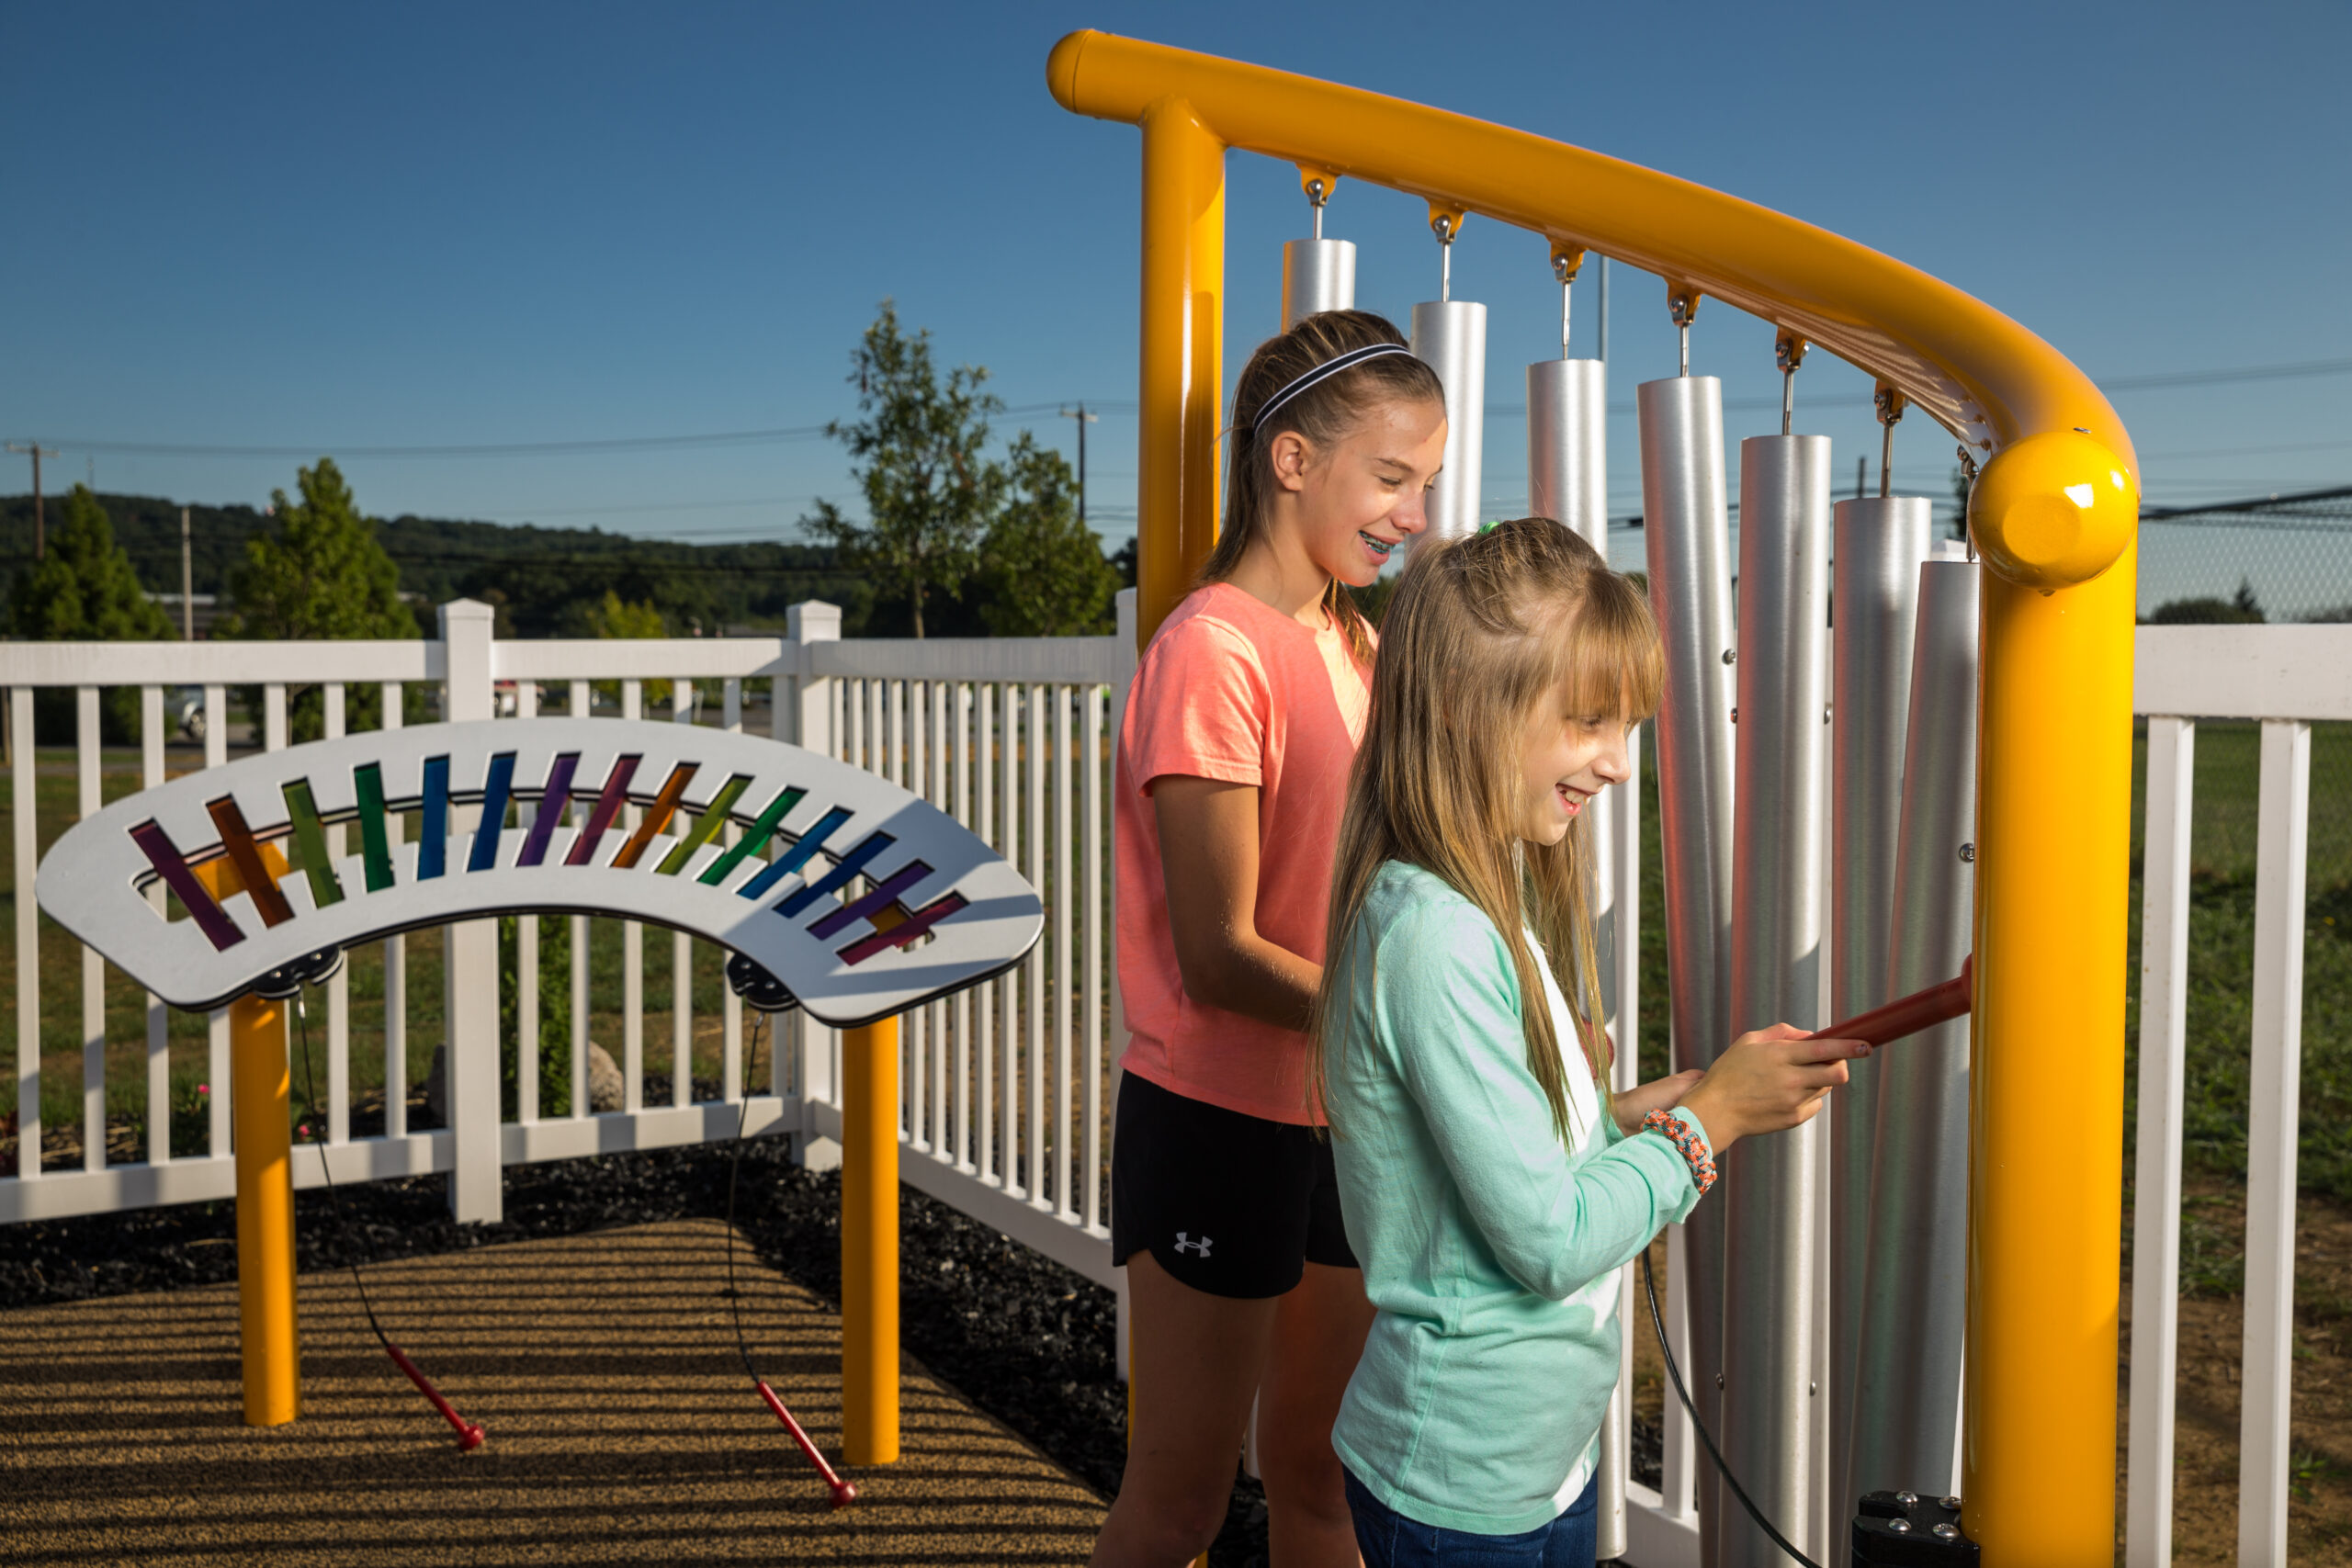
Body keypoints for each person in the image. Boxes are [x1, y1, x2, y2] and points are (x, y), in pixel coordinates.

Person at [1312, 518, 1868, 1566]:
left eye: (1627, 727)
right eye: (1586, 723)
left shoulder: (1486, 899)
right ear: (1460, 710)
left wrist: (1626, 1118)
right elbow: (1550, 1239)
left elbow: (1502, 1152)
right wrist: (1708, 1125)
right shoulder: (1433, 933)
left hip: (1536, 1459)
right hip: (1461, 1480)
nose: (1617, 764)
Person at [1093, 310, 1449, 1568]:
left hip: (1342, 1116)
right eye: (1392, 477)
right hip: (1216, 1120)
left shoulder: (1357, 640)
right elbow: (1221, 953)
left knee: (1320, 1474)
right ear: (1292, 460)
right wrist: (1421, 1021)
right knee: (1181, 1501)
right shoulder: (1210, 649)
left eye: (1425, 484)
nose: (1412, 513)